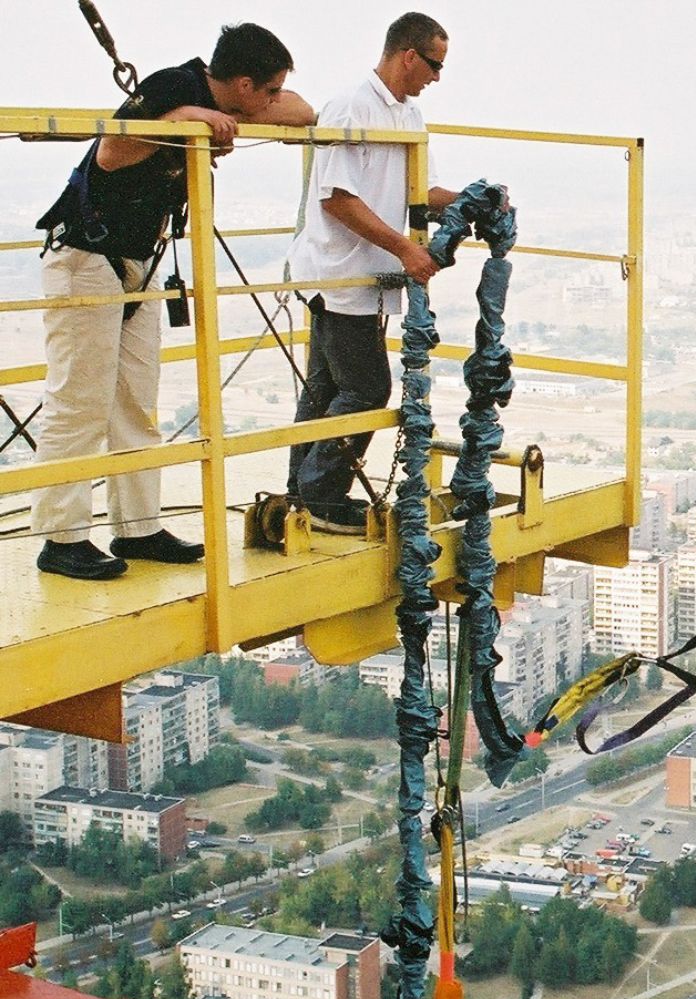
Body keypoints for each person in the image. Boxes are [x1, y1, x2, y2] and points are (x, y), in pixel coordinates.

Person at [32, 24, 314, 580]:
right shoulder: (169, 87)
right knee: (78, 401)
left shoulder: (224, 98)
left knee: (137, 398)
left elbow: (302, 112)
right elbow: (111, 152)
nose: (275, 99)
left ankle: (137, 526)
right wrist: (187, 120)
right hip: (87, 256)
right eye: (269, 88)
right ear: (241, 82)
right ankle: (60, 539)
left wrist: (218, 117)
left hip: (138, 263)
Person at [286, 11, 463, 533]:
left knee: (323, 390)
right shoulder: (350, 106)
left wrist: (470, 200)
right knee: (365, 389)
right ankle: (320, 497)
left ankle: (301, 494)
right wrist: (405, 250)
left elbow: (418, 194)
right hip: (338, 274)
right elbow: (338, 199)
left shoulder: (407, 116)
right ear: (408, 55)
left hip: (361, 275)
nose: (436, 77)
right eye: (433, 65)